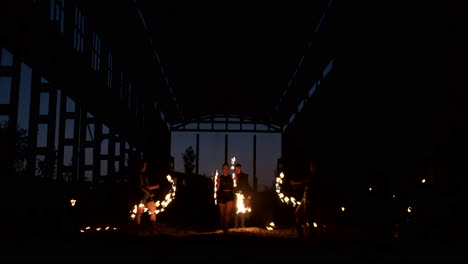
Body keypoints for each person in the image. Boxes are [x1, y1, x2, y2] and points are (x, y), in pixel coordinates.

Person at [291, 160, 319, 238]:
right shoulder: (312, 176)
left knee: (308, 218)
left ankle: (313, 235)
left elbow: (305, 183)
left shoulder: (315, 176)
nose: (311, 167)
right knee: (297, 213)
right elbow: (306, 184)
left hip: (309, 201)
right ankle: (301, 235)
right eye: (311, 166)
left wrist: (294, 183)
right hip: (305, 199)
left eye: (312, 166)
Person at [134, 160, 160, 235]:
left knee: (153, 212)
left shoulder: (145, 175)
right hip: (141, 197)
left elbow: (146, 187)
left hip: (148, 197)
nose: (144, 167)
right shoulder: (138, 175)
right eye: (143, 165)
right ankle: (137, 230)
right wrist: (149, 192)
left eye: (145, 165)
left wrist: (154, 187)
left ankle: (153, 229)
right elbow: (141, 187)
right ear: (139, 166)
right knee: (139, 213)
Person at [216, 162, 237, 234]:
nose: (226, 170)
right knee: (222, 215)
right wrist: (217, 183)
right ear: (222, 169)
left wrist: (235, 176)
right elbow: (218, 189)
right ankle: (224, 228)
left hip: (229, 195)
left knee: (228, 214)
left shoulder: (231, 176)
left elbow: (236, 182)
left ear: (228, 169)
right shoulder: (220, 177)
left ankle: (226, 229)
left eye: (227, 168)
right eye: (224, 168)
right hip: (222, 196)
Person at [233, 163, 252, 228]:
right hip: (236, 195)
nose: (237, 169)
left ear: (240, 168)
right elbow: (234, 185)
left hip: (243, 195)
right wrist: (235, 176)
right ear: (235, 169)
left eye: (238, 168)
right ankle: (235, 225)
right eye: (236, 168)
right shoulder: (233, 176)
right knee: (236, 210)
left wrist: (249, 194)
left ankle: (242, 224)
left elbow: (247, 185)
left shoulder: (244, 175)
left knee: (243, 210)